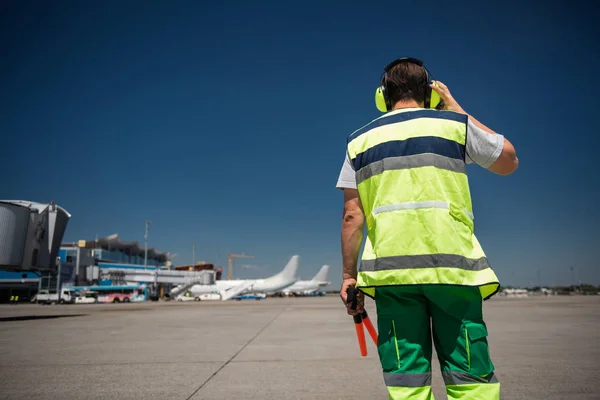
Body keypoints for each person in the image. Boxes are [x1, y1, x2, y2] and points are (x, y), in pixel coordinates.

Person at [336, 57, 518, 400]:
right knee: (470, 375)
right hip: (453, 271)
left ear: (382, 95)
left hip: (393, 276)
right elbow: (508, 160)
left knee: (407, 379)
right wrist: (456, 109)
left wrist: (349, 276)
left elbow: (352, 215)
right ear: (432, 94)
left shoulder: (358, 142)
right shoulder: (453, 127)